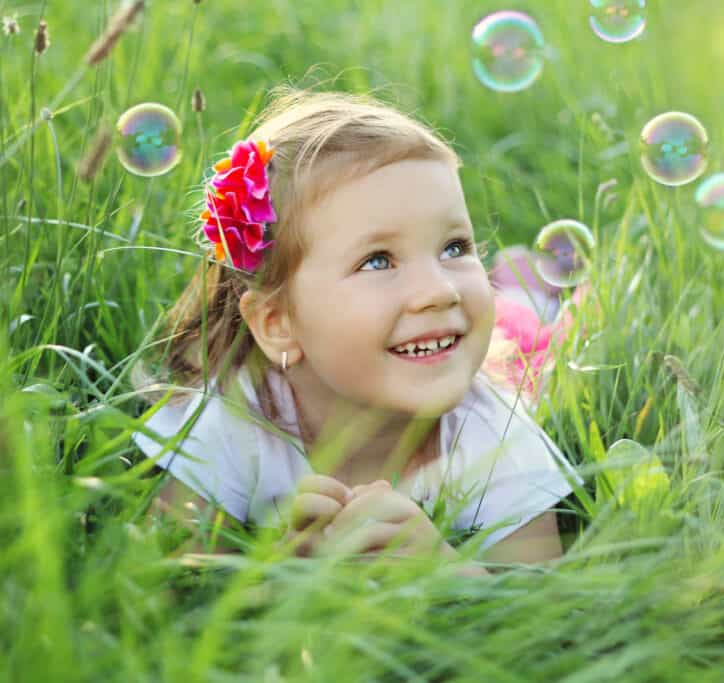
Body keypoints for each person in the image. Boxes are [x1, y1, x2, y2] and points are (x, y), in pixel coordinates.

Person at [131, 87, 583, 573]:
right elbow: (175, 585)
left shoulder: (495, 434)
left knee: (536, 337)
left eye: (454, 247)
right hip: (428, 343)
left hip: (479, 347)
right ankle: (522, 283)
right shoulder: (234, 420)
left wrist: (446, 572)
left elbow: (539, 603)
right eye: (377, 260)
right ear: (278, 324)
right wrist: (278, 570)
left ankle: (528, 286)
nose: (439, 290)